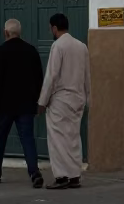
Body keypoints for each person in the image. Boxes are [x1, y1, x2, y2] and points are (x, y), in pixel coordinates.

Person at [0, 18, 45, 188]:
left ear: (6, 33)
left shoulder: (1, 51)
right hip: (26, 104)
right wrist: (39, 100)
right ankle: (34, 172)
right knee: (28, 139)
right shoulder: (31, 51)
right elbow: (39, 78)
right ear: (20, 32)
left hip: (5, 105)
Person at [38, 13, 90, 190]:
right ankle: (75, 175)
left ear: (54, 27)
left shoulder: (58, 46)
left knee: (58, 139)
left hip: (61, 100)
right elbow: (86, 75)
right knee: (74, 137)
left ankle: (62, 176)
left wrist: (42, 101)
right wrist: (87, 97)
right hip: (78, 98)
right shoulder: (81, 46)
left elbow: (51, 75)